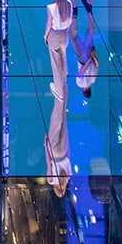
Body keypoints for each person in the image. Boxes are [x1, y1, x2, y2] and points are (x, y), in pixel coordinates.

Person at [70, 0, 99, 99]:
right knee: (72, 34)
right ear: (84, 91)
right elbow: (81, 71)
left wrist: (93, 56)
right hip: (82, 57)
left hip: (89, 53)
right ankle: (74, 12)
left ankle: (88, 9)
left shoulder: (93, 80)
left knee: (91, 30)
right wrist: (88, 61)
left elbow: (97, 65)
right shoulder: (80, 84)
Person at [44, 69, 71, 197]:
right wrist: (46, 145)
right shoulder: (51, 180)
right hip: (54, 152)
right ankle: (60, 91)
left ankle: (64, 86)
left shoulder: (68, 177)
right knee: (56, 116)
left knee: (62, 117)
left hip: (63, 151)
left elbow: (69, 156)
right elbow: (48, 163)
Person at [44, 0, 73, 96]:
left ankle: (59, 91)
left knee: (56, 63)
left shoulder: (51, 7)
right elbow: (70, 20)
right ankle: (64, 79)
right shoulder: (69, 4)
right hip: (64, 35)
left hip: (54, 36)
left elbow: (49, 24)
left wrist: (46, 36)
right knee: (63, 58)